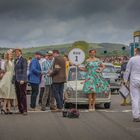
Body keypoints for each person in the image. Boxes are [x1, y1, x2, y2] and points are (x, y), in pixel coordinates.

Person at [124, 47, 140, 122]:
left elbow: (127, 70)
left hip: (134, 80)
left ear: (136, 51)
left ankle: (136, 116)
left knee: (135, 98)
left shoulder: (132, 59)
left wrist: (125, 80)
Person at [0, 50, 16, 114]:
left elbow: (13, 71)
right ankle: (4, 108)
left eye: (11, 54)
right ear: (7, 55)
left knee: (9, 93)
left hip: (11, 77)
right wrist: (2, 74)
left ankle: (7, 109)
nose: (11, 55)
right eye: (10, 54)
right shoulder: (5, 62)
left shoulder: (13, 61)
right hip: (7, 77)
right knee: (7, 93)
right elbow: (3, 70)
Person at [14, 48, 28, 115]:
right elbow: (15, 71)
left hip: (22, 80)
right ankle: (20, 110)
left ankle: (25, 110)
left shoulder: (23, 59)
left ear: (20, 52)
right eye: (15, 52)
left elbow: (24, 70)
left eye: (17, 52)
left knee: (23, 95)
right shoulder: (16, 60)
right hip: (16, 80)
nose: (16, 53)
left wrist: (23, 79)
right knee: (18, 95)